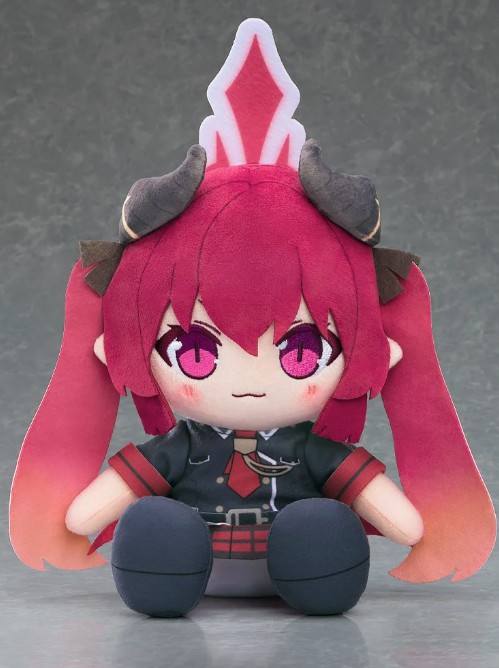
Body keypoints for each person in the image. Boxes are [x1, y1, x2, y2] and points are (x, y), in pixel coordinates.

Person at [10, 18, 495, 618]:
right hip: (191, 561)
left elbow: (400, 519)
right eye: (195, 352)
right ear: (124, 345)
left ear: (376, 348)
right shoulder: (181, 447)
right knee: (156, 525)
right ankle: (165, 571)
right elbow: (88, 512)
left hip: (300, 560)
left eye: (300, 352)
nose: (248, 379)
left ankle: (316, 569)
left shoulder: (311, 451)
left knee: (320, 528)